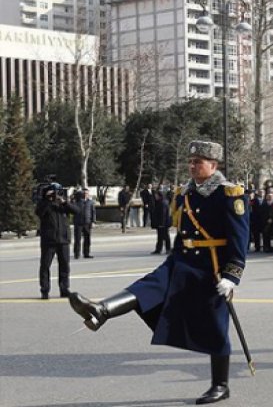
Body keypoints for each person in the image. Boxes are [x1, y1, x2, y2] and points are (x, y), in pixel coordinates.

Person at [68, 140, 249, 404]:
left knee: (215, 326)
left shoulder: (229, 193)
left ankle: (220, 385)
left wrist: (232, 275)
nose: (192, 166)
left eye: (198, 162)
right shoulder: (185, 192)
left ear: (213, 165)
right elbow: (183, 232)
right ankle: (102, 310)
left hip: (211, 267)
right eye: (191, 161)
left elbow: (240, 238)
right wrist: (173, 258)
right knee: (148, 286)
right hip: (182, 260)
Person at [36, 183, 80, 299]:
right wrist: (48, 200)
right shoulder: (44, 204)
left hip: (63, 239)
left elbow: (76, 211)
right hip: (49, 241)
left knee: (64, 266)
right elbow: (39, 213)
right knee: (45, 266)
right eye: (54, 192)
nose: (56, 195)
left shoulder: (63, 204)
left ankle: (64, 289)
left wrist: (64, 202)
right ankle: (45, 290)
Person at [73, 188, 96, 260]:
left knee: (87, 239)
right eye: (84, 193)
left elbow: (93, 212)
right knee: (77, 239)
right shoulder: (77, 202)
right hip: (78, 222)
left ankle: (86, 253)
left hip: (87, 222)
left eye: (87, 193)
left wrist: (93, 221)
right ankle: (77, 254)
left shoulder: (90, 202)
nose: (85, 195)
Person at [150, 190, 172, 255]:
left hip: (163, 223)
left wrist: (161, 224)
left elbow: (163, 214)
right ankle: (158, 249)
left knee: (165, 237)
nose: (155, 196)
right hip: (161, 223)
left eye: (156, 195)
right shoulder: (159, 202)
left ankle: (168, 249)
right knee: (160, 237)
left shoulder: (162, 203)